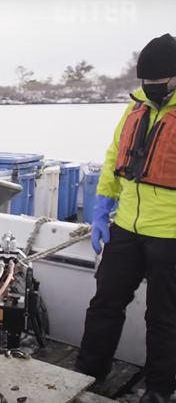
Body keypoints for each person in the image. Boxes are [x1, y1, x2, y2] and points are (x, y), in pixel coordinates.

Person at [76, 33, 176, 403]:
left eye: (158, 82)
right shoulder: (135, 108)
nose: (150, 88)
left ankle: (161, 389)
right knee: (105, 303)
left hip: (170, 234)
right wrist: (101, 208)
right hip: (126, 228)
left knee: (164, 317)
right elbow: (114, 157)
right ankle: (88, 372)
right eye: (145, 82)